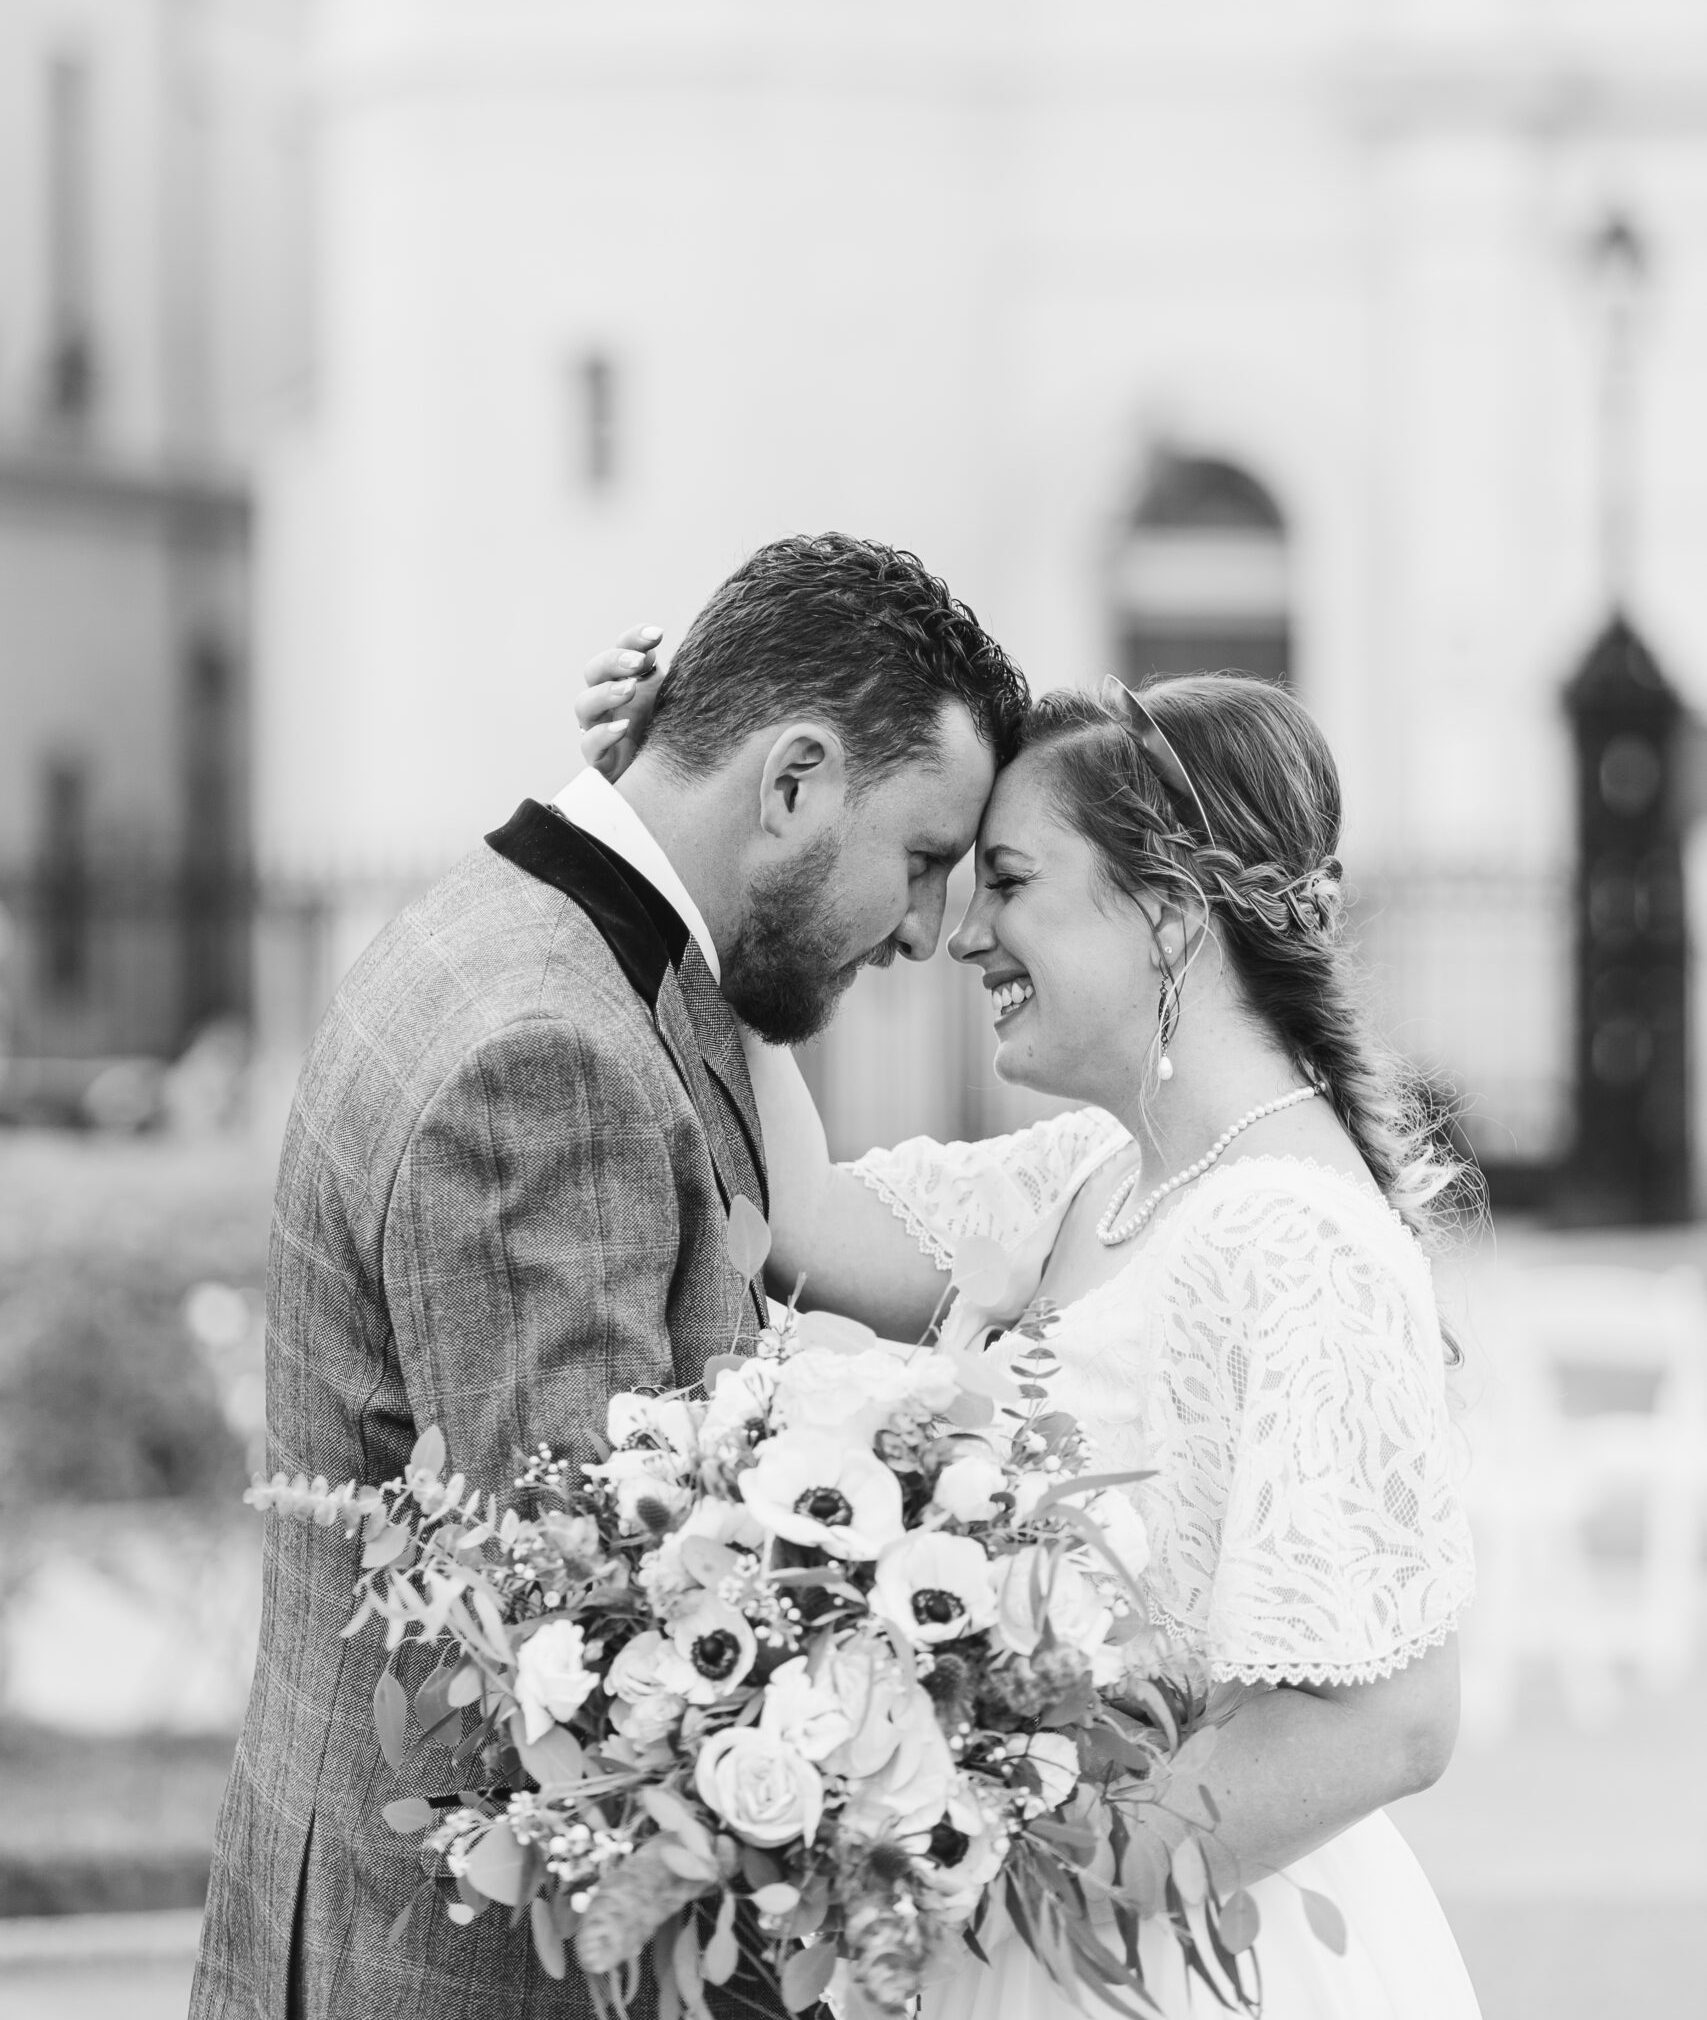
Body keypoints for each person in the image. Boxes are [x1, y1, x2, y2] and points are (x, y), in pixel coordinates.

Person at [577, 640, 1483, 2020]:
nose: (959, 935)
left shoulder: (1297, 1235)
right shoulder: (1089, 1176)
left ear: (1171, 913)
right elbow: (804, 1215)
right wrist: (690, 860)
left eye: (1007, 883)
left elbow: (1387, 1724)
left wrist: (974, 1875)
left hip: (1186, 1962)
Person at [192, 534, 1026, 2020]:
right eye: (924, 858)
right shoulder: (548, 1056)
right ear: (792, 784)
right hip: (471, 1971)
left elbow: (751, 1228)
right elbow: (588, 1637)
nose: (925, 929)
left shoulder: (530, 936)